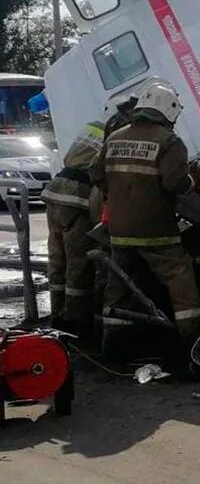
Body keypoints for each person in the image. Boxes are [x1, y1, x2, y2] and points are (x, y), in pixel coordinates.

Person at [91, 79, 200, 356]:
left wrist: (117, 193)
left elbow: (95, 174)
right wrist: (193, 182)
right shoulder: (169, 141)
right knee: (182, 284)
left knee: (117, 285)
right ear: (169, 110)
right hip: (158, 231)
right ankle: (194, 346)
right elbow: (174, 183)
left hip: (118, 230)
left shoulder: (115, 137)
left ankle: (111, 345)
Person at [41, 116, 105, 338]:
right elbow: (100, 174)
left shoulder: (92, 126)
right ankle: (74, 321)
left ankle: (57, 313)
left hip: (55, 192)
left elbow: (69, 156)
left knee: (57, 259)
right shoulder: (116, 133)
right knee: (78, 265)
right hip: (77, 199)